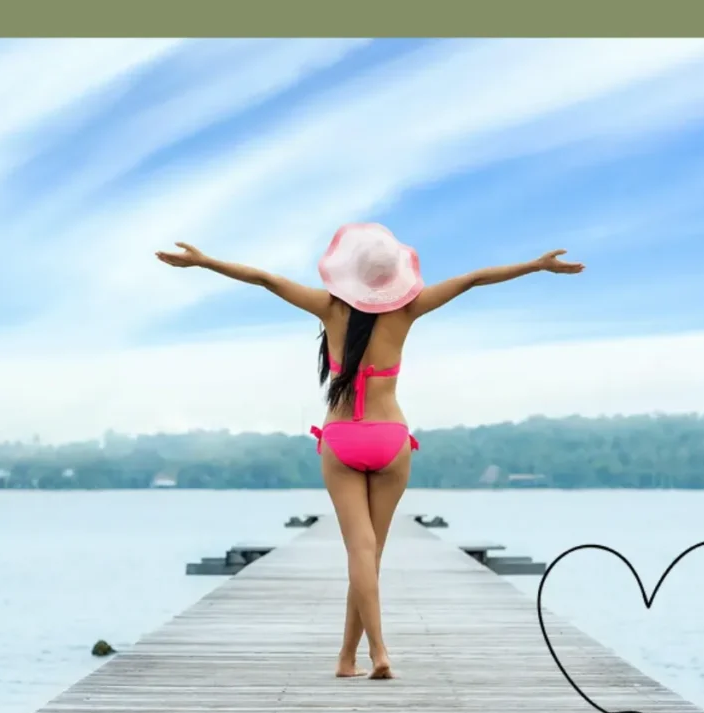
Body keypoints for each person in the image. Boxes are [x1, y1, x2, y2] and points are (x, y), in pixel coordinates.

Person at [156, 223, 585, 680]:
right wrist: (536, 267)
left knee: (359, 553)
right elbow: (473, 279)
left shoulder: (329, 310)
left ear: (349, 275)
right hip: (390, 439)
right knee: (371, 555)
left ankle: (368, 653)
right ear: (391, 278)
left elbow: (266, 280)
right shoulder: (408, 311)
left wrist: (204, 262)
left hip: (341, 439)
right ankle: (353, 657)